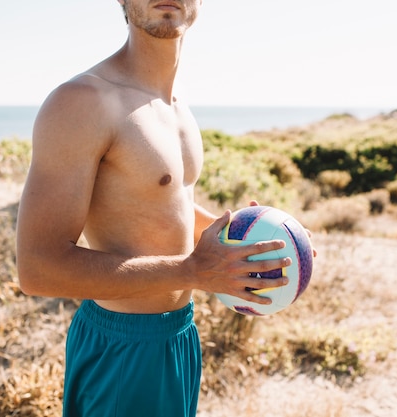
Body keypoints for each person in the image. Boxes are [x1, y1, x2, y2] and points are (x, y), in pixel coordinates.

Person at [15, 1, 301, 416]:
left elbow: (167, 207)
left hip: (179, 335)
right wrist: (192, 271)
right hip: (123, 347)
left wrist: (265, 234)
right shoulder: (81, 102)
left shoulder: (176, 104)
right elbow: (37, 269)